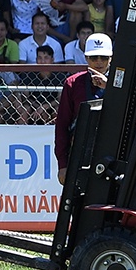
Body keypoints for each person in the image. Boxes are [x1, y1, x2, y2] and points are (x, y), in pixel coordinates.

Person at [53, 33, 113, 184]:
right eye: (94, 58)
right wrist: (63, 164)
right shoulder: (73, 83)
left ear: (111, 58)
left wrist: (109, 88)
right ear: (86, 58)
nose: (99, 62)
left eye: (103, 58)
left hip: (113, 153)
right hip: (80, 153)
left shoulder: (121, 84)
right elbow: (62, 125)